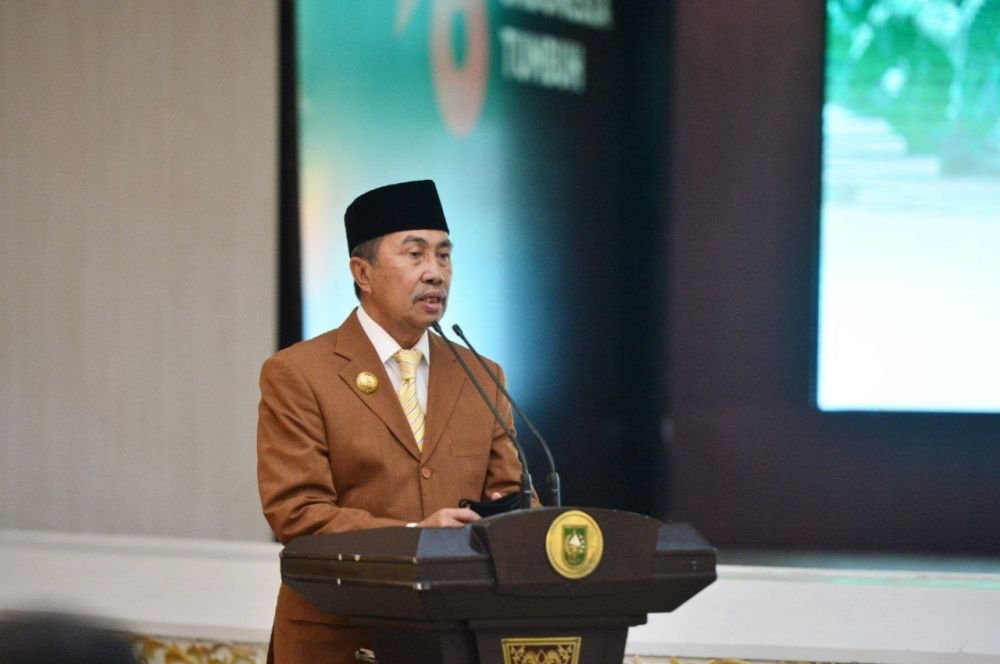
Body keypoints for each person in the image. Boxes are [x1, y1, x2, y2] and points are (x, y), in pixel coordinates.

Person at [256, 180, 526, 663]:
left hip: (455, 637)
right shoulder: (299, 373)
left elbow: (512, 501)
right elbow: (297, 513)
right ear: (363, 272)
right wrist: (416, 534)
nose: (435, 273)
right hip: (343, 637)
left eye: (444, 255)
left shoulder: (482, 375)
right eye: (415, 254)